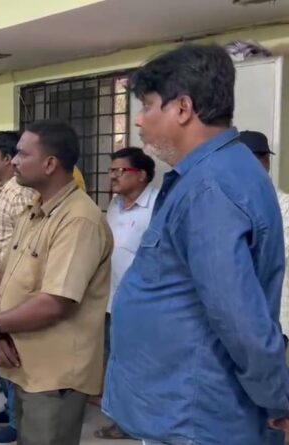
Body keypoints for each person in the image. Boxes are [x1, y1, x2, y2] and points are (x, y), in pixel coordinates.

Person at [103, 44, 289, 445]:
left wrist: (277, 400)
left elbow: (238, 317)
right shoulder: (208, 175)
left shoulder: (211, 187)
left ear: (183, 108)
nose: (139, 120)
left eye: (147, 106)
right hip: (184, 405)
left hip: (198, 414)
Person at [0, 119, 112, 445]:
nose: (13, 161)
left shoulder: (78, 220)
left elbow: (54, 303)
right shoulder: (32, 211)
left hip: (54, 373)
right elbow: (4, 275)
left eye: (23, 154)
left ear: (50, 164)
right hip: (23, 363)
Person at [93, 147, 157, 441]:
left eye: (121, 171)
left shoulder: (158, 205)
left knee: (139, 364)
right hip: (111, 298)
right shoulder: (116, 205)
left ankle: (139, 423)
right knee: (116, 361)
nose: (113, 176)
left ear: (141, 175)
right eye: (112, 171)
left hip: (142, 302)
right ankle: (122, 418)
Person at [0, 131, 37, 445]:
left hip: (10, 289)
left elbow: (24, 243)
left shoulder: (20, 193)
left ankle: (19, 421)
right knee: (0, 352)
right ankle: (10, 408)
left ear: (6, 158)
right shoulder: (3, 190)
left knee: (12, 353)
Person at [241, 130, 289, 343]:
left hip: (276, 317)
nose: (259, 163)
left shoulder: (284, 205)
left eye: (262, 157)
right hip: (232, 319)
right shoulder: (220, 201)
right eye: (252, 157)